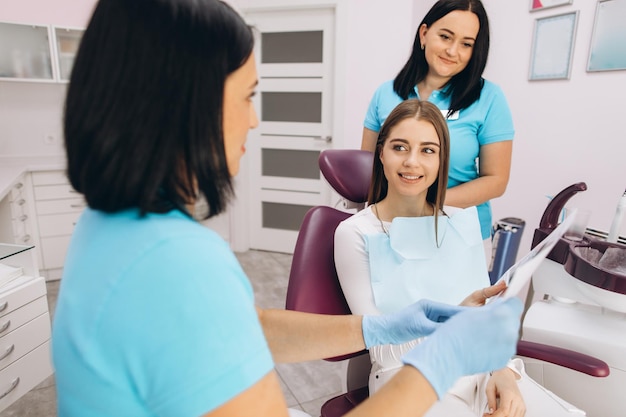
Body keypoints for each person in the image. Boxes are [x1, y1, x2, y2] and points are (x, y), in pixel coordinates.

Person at [51, 1, 523, 417]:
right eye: (248, 96)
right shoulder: (177, 262)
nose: (254, 119)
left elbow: (240, 327)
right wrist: (441, 361)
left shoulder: (107, 226)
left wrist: (383, 326)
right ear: (184, 104)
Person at [335, 99, 585, 417]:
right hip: (408, 377)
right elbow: (381, 348)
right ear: (381, 152)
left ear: (441, 161)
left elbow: (486, 319)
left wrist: (505, 373)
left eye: (428, 150)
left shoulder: (459, 221)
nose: (412, 162)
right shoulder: (356, 233)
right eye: (400, 147)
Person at [361, 0, 514, 259]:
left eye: (466, 44)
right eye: (445, 36)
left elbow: (496, 181)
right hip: (392, 227)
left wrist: (427, 204)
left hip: (459, 233)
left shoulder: (489, 98)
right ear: (424, 34)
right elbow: (368, 165)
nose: (453, 51)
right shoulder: (385, 94)